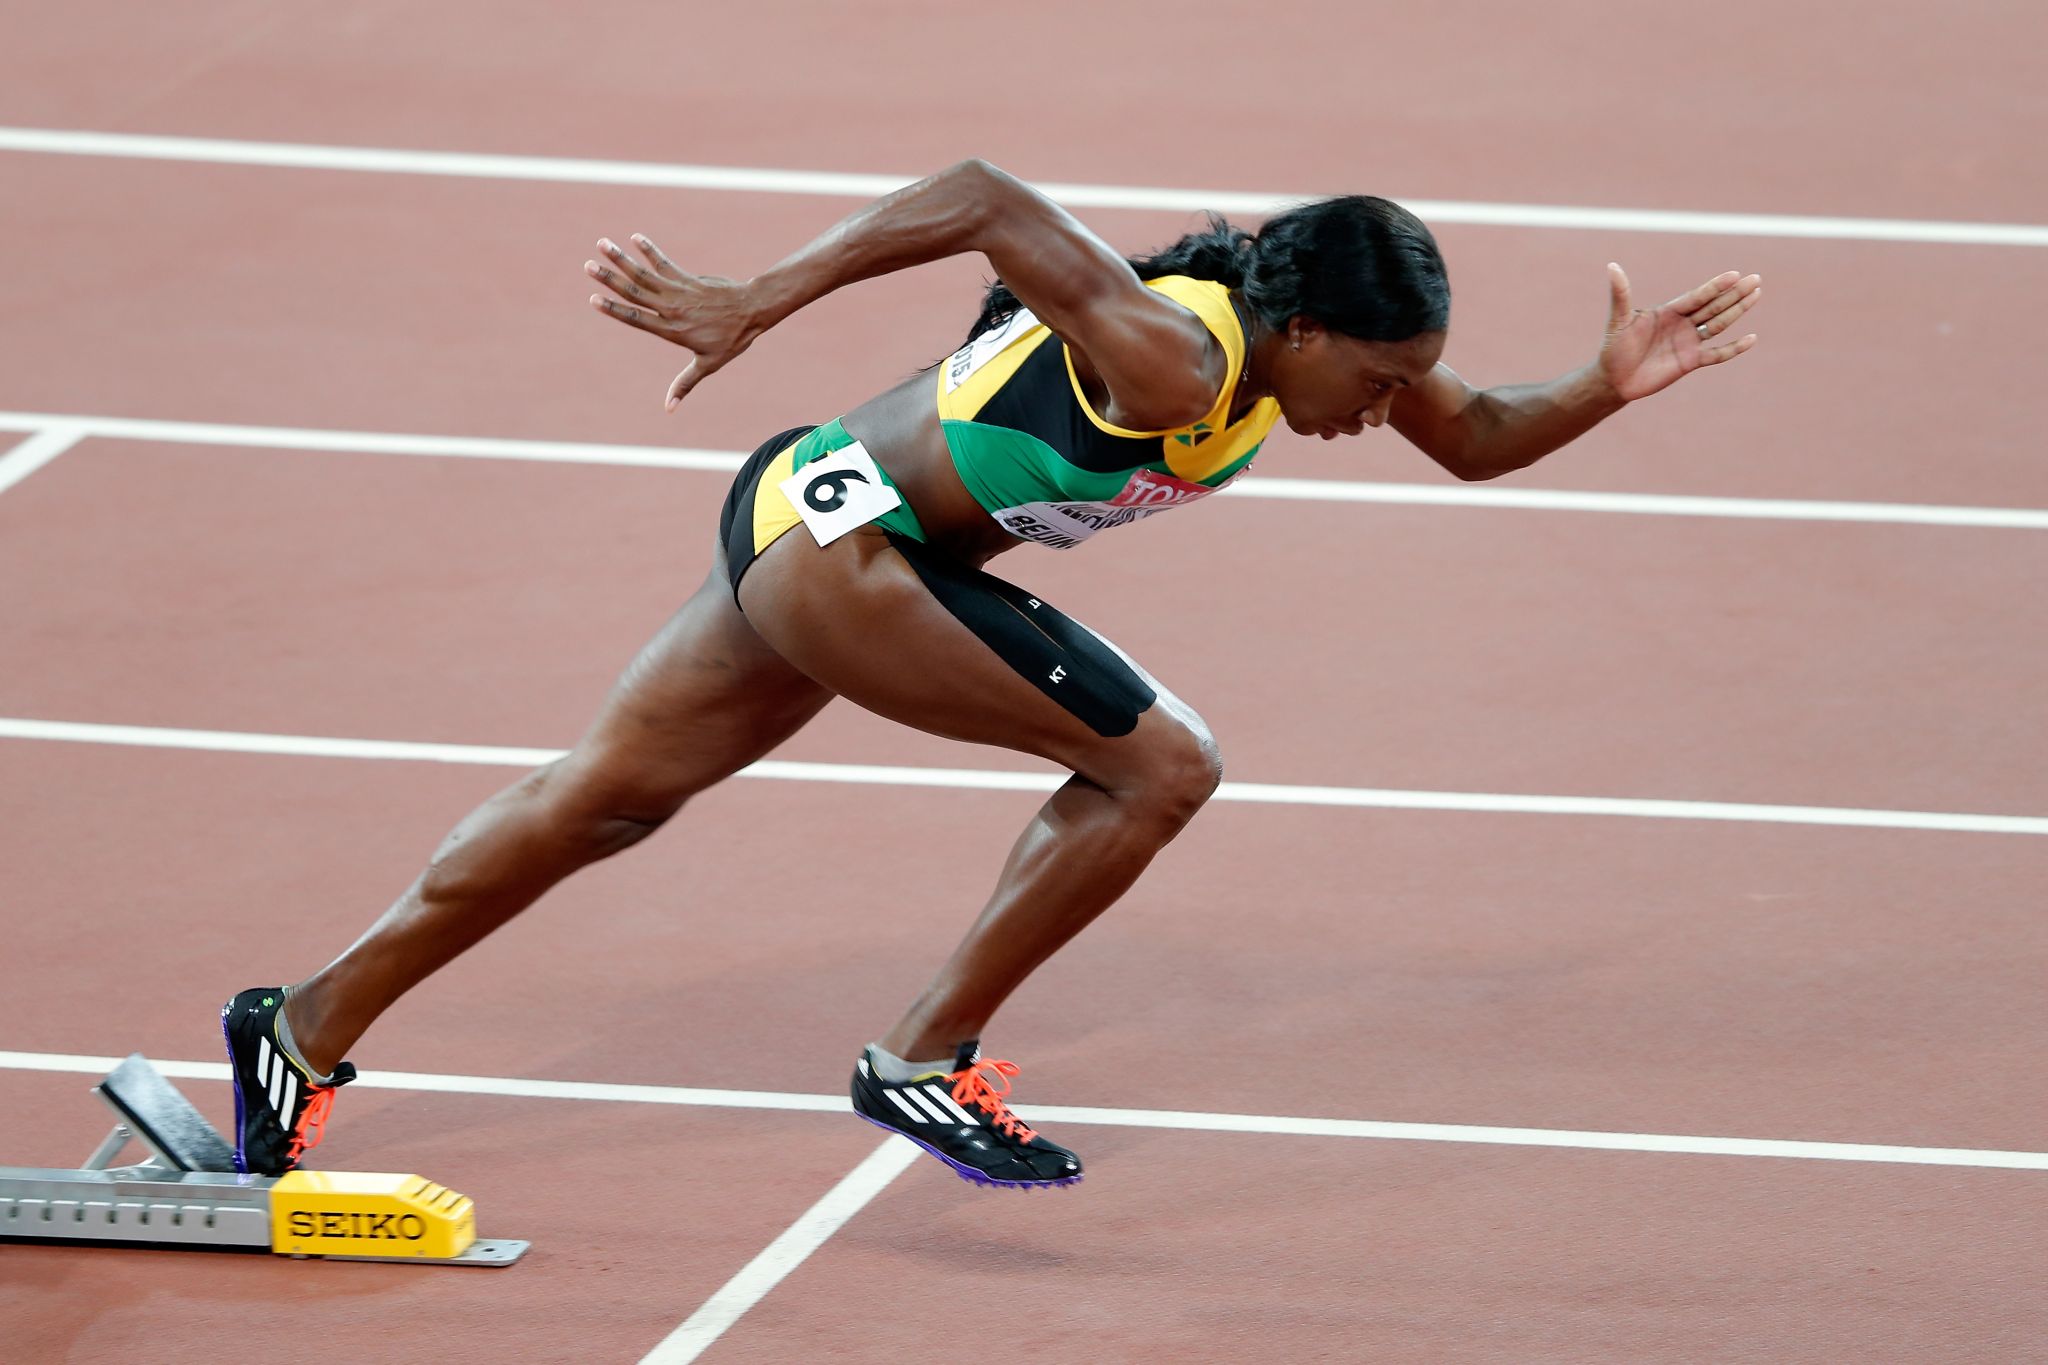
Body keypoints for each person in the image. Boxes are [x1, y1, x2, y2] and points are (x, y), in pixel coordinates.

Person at [221, 159, 1761, 1189]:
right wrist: (758, 294)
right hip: (849, 553)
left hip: (813, 513)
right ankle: (921, 1058)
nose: (1389, 409)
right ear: (1298, 332)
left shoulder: (1322, 363)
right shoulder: (1176, 354)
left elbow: (1482, 439)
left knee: (599, 805)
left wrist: (1608, 388)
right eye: (1372, 381)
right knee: (1164, 766)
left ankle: (298, 1027)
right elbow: (980, 195)